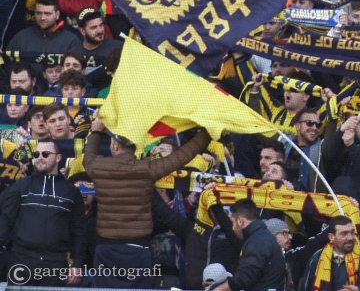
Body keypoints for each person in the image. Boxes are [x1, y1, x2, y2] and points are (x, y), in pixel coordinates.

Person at [84, 117, 210, 288]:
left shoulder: (98, 166)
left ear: (115, 146)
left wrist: (96, 132)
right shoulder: (147, 168)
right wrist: (208, 132)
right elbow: (183, 155)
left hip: (106, 251)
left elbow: (88, 158)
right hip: (137, 250)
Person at [0, 138, 85, 285]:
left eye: (45, 154)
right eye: (36, 154)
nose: (39, 158)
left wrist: (77, 264)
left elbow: (79, 231)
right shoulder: (21, 186)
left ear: (58, 157)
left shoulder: (72, 192)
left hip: (56, 263)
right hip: (21, 260)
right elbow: (6, 220)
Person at [209, 199, 287, 291]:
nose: (232, 228)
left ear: (240, 221)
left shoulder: (258, 241)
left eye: (233, 223)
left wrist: (218, 290)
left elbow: (246, 276)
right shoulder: (259, 236)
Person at [301, 215, 360, 290]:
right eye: (344, 233)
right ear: (331, 237)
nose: (350, 237)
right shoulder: (318, 257)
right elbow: (305, 288)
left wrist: (359, 289)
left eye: (352, 232)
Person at [7, 0, 83, 57]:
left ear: (57, 15)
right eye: (38, 13)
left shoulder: (71, 41)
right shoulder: (21, 37)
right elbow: (8, 64)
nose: (42, 18)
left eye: (47, 14)